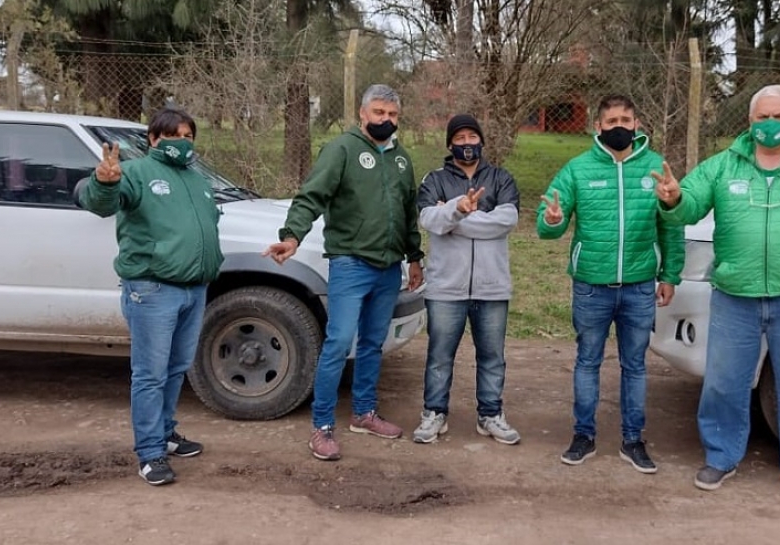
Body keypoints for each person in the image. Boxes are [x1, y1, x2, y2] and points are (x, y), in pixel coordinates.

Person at [652, 84, 780, 506]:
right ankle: (721, 456)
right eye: (762, 117)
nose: (770, 125)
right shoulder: (724, 166)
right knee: (724, 384)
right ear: (749, 122)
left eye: (779, 117)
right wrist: (673, 199)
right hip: (734, 296)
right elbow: (689, 205)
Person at [263, 84, 424, 461]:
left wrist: (414, 256)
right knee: (338, 343)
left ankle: (364, 413)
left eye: (393, 115)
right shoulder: (341, 150)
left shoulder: (401, 159)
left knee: (372, 343)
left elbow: (407, 212)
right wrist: (292, 236)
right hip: (351, 263)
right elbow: (312, 196)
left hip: (388, 267)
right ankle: (322, 426)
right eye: (380, 113)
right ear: (362, 114)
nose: (386, 121)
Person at [537, 94, 684, 472]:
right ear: (597, 126)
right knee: (588, 362)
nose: (619, 126)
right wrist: (552, 220)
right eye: (611, 121)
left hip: (638, 286)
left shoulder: (655, 168)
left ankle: (633, 440)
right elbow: (547, 222)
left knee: (634, 365)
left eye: (626, 120)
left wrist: (669, 274)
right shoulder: (578, 169)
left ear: (636, 124)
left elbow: (672, 226)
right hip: (591, 285)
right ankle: (583, 436)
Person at [77, 107, 223, 486]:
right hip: (153, 289)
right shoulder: (137, 173)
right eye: (173, 135)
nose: (182, 142)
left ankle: (166, 433)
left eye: (188, 136)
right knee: (150, 374)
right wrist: (103, 182)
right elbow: (100, 202)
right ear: (154, 139)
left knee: (176, 369)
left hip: (195, 289)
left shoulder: (196, 178)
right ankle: (149, 453)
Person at [412, 114, 521, 445]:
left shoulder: (501, 178)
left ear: (482, 140)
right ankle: (434, 413)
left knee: (492, 356)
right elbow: (429, 219)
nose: (466, 144)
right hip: (446, 287)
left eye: (472, 136)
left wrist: (455, 218)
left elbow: (507, 220)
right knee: (440, 355)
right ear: (450, 144)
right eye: (459, 139)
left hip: (492, 287)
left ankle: (490, 414)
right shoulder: (434, 180)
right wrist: (455, 210)